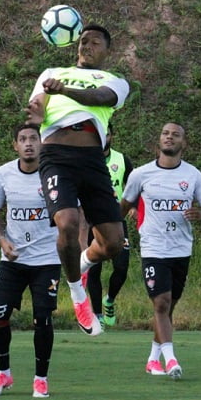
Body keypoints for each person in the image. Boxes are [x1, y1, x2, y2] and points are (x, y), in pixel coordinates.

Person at [25, 24, 130, 336]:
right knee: (68, 222)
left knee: (111, 244)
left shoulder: (115, 81)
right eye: (83, 40)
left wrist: (64, 90)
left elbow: (100, 97)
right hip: (56, 156)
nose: (87, 45)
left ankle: (82, 263)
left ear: (107, 51)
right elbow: (39, 107)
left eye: (95, 41)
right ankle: (76, 293)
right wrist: (34, 113)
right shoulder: (51, 72)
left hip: (93, 160)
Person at [120, 122, 201, 380]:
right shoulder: (141, 175)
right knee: (161, 303)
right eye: (165, 133)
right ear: (159, 140)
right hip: (154, 248)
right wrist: (113, 235)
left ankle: (153, 359)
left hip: (181, 249)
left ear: (183, 143)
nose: (170, 138)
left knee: (167, 308)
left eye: (176, 135)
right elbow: (123, 206)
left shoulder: (192, 175)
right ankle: (171, 360)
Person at [0, 124, 60, 398]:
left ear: (42, 143)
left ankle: (41, 379)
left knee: (42, 318)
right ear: (15, 145)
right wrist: (2, 238)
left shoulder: (54, 174)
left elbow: (73, 210)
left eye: (33, 138)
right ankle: (4, 374)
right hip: (13, 260)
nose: (29, 143)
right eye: (23, 139)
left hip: (47, 260)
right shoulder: (4, 174)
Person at [81, 123, 135, 327]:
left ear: (112, 135)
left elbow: (133, 188)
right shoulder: (85, 160)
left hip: (116, 219)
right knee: (94, 270)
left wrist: (133, 207)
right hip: (92, 220)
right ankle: (97, 316)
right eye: (99, 133)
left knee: (121, 268)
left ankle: (110, 300)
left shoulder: (122, 160)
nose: (103, 136)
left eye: (107, 133)